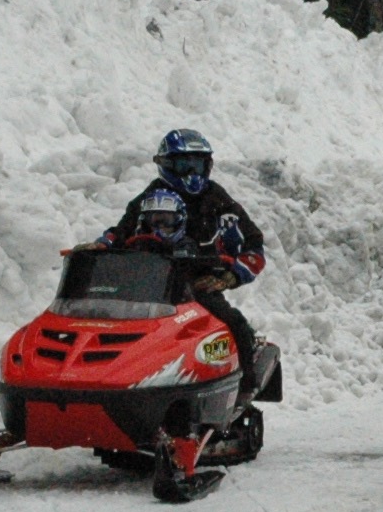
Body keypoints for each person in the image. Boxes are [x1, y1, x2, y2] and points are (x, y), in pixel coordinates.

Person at [105, 128, 267, 400]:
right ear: (167, 165)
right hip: (149, 284)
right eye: (184, 164)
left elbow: (253, 244)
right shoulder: (151, 197)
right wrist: (102, 245)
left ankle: (242, 389)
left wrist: (229, 277)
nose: (192, 171)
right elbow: (121, 231)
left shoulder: (218, 199)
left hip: (198, 284)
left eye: (198, 164)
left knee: (233, 323)